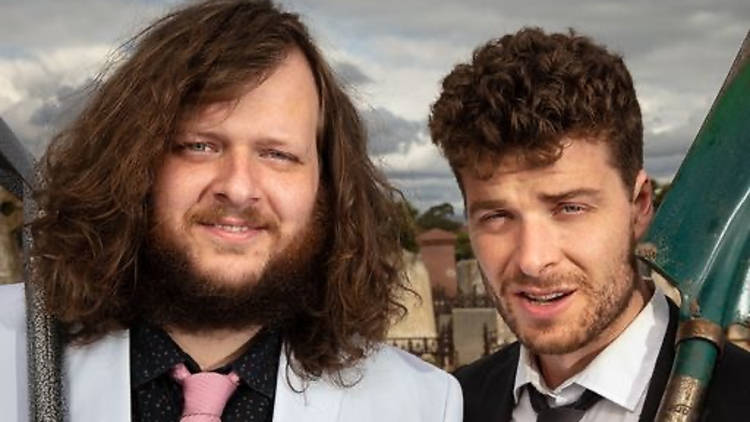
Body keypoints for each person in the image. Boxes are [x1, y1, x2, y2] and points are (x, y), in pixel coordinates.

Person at [0, 1, 462, 421]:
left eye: (278, 154)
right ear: (133, 163)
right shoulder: (10, 352)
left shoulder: (421, 404)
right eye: (199, 146)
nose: (238, 188)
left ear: (329, 187)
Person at [429, 27, 750, 421]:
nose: (533, 260)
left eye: (569, 208)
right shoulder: (450, 404)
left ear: (639, 206)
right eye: (497, 216)